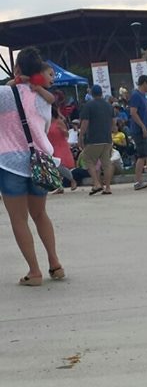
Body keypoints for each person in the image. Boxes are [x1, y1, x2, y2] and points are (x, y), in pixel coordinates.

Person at [0, 45, 65, 286]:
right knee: (40, 214)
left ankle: (34, 271)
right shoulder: (42, 97)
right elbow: (45, 129)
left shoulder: (5, 94)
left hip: (10, 163)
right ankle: (55, 263)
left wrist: (11, 84)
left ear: (17, 69)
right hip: (40, 161)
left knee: (19, 219)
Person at [79, 84, 115, 195]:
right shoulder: (109, 106)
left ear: (92, 94)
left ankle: (97, 183)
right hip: (107, 138)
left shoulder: (89, 106)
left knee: (88, 159)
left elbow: (85, 123)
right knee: (106, 163)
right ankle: (108, 187)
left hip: (94, 139)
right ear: (101, 93)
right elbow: (114, 124)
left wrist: (81, 135)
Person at [129, 74, 147, 190]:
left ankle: (146, 180)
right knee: (144, 156)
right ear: (145, 83)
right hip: (139, 130)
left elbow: (146, 112)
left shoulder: (143, 96)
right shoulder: (136, 95)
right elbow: (133, 112)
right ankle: (144, 181)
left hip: (145, 128)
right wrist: (142, 126)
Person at [47, 105, 77, 191]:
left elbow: (66, 134)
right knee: (53, 166)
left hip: (60, 145)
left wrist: (62, 130)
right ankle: (60, 186)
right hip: (51, 146)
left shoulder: (58, 122)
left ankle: (72, 180)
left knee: (60, 165)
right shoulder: (47, 123)